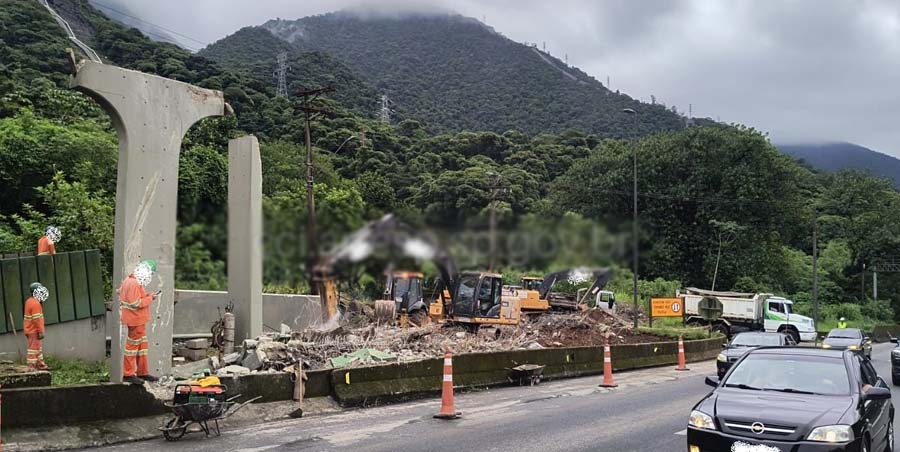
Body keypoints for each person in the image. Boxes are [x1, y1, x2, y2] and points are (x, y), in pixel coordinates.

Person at [118, 259, 159, 385]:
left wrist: (146, 296)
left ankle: (142, 372)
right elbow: (136, 303)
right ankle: (129, 374)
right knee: (132, 347)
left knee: (142, 347)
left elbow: (120, 292)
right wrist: (150, 298)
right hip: (136, 319)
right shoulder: (134, 283)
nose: (150, 276)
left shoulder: (129, 281)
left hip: (136, 319)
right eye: (151, 274)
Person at [24, 282, 49, 370]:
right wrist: (41, 331)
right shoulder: (35, 304)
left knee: (38, 348)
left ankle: (40, 365)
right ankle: (31, 367)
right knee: (33, 349)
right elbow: (37, 320)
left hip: (30, 329)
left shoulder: (29, 301)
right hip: (34, 330)